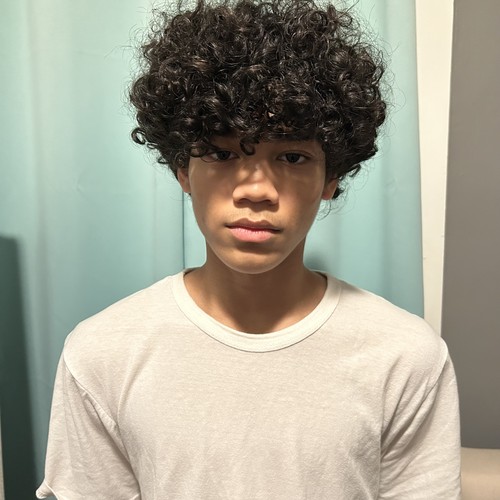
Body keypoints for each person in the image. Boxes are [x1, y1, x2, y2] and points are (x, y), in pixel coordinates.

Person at [36, 0, 461, 498]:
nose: (256, 190)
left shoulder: (406, 357)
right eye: (221, 153)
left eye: (293, 156)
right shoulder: (101, 354)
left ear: (331, 178)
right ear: (181, 170)